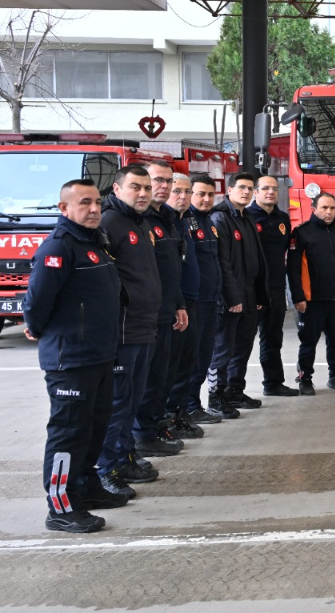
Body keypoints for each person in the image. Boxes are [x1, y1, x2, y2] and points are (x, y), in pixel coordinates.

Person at [23, 180, 124, 533]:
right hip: (71, 359)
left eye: (97, 202)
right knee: (69, 433)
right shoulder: (59, 246)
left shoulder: (94, 243)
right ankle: (61, 507)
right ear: (64, 208)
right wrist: (36, 328)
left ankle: (85, 487)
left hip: (99, 355)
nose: (94, 208)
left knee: (94, 429)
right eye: (85, 203)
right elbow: (37, 301)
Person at [96, 166, 162, 498]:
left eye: (147, 187)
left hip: (143, 327)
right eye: (135, 187)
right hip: (122, 332)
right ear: (118, 189)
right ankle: (106, 469)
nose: (143, 193)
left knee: (132, 401)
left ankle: (124, 457)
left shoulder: (141, 222)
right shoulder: (109, 222)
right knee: (118, 404)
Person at [131, 161, 188, 459]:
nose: (163, 186)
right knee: (147, 380)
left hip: (167, 313)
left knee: (162, 377)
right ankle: (142, 436)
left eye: (167, 181)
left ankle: (152, 429)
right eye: (158, 181)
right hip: (146, 318)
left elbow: (171, 268)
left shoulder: (168, 217)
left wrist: (179, 303)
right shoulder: (138, 220)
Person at [208, 172, 268, 417]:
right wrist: (232, 298)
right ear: (229, 189)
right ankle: (215, 396)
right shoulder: (220, 218)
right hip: (231, 297)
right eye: (241, 187)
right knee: (223, 349)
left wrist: (259, 296)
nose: (246, 192)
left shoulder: (247, 218)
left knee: (242, 347)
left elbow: (257, 260)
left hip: (249, 294)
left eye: (250, 189)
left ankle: (235, 390)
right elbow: (223, 263)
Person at [289, 192, 335, 394]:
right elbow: (293, 269)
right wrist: (298, 297)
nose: (328, 212)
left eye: (332, 208)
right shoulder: (301, 233)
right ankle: (305, 379)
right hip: (311, 301)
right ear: (314, 209)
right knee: (308, 342)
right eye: (324, 208)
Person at [173, 174, 224, 425]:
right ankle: (188, 407)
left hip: (210, 300)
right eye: (200, 194)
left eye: (210, 195)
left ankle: (194, 404)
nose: (206, 199)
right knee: (191, 359)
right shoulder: (186, 222)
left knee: (204, 356)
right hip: (193, 302)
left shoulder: (210, 222)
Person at [159, 173, 205, 440]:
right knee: (169, 369)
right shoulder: (162, 222)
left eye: (187, 192)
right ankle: (163, 421)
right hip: (173, 306)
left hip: (190, 301)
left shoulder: (181, 222)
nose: (183, 197)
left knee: (187, 363)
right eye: (178, 191)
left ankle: (178, 415)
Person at [247, 174, 297, 396]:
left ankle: (273, 383)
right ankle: (231, 389)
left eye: (275, 189)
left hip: (276, 288)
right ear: (255, 192)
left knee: (273, 337)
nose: (271, 192)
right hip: (251, 288)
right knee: (243, 341)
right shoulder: (247, 217)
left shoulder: (282, 219)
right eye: (265, 188)